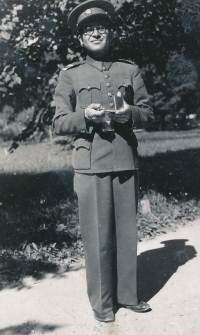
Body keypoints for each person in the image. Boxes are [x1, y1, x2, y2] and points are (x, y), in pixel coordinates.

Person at [53, 0, 154, 323]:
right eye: (88, 30)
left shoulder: (130, 69)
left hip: (124, 160)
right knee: (98, 237)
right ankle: (103, 304)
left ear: (109, 32)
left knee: (126, 234)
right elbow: (58, 122)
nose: (95, 33)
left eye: (101, 27)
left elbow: (149, 114)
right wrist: (84, 115)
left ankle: (128, 295)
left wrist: (130, 114)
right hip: (91, 164)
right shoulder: (70, 75)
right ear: (80, 39)